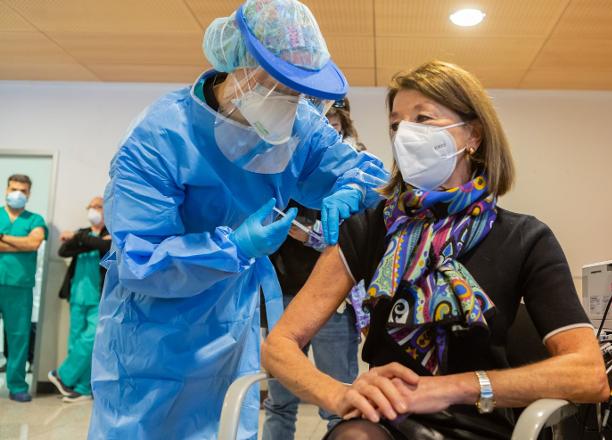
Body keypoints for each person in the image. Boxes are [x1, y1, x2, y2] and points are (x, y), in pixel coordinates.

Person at [262, 61, 609, 440]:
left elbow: (587, 373)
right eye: (396, 125)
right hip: (384, 418)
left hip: (478, 419)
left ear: (473, 135)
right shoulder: (369, 228)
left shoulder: (525, 238)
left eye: (423, 119)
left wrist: (452, 387)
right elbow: (279, 345)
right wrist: (338, 393)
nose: (405, 135)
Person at [88, 0, 388, 438]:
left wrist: (351, 188)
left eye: (299, 89)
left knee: (228, 425)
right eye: (281, 84)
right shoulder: (159, 137)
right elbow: (139, 261)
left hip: (233, 326)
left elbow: (361, 170)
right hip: (152, 341)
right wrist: (234, 247)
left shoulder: (299, 124)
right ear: (240, 65)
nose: (292, 100)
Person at [263, 99, 367, 440]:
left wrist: (312, 234)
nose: (323, 130)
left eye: (331, 124)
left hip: (330, 299)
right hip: (283, 291)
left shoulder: (355, 172)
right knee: (279, 401)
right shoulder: (279, 160)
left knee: (340, 402)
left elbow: (359, 239)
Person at [48, 196, 110, 403]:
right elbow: (63, 250)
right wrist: (88, 240)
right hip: (77, 295)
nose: (93, 210)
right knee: (75, 341)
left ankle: (67, 377)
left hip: (98, 296)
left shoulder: (111, 233)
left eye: (98, 206)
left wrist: (77, 238)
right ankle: (77, 389)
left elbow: (106, 248)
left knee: (91, 339)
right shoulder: (84, 233)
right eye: (90, 206)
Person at [0, 174, 47, 403]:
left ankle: (17, 385)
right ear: (6, 189)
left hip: (19, 286)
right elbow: (26, 244)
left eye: (23, 190)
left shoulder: (35, 219)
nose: (17, 193)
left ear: (29, 194)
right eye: (14, 188)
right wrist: (21, 244)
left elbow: (34, 243)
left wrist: (2, 238)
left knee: (18, 337)